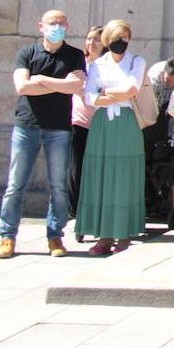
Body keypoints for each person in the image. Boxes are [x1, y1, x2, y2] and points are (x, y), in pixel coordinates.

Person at [0, 10, 87, 259]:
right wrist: (58, 84)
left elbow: (76, 87)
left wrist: (41, 79)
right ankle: (7, 236)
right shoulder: (27, 53)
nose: (57, 26)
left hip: (58, 127)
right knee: (16, 184)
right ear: (41, 26)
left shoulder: (75, 55)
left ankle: (55, 236)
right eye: (52, 23)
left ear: (67, 25)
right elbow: (22, 87)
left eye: (61, 23)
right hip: (27, 126)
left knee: (58, 185)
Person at [77, 19, 147, 255]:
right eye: (117, 38)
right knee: (102, 175)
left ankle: (124, 232)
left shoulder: (136, 61)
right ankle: (103, 235)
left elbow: (131, 89)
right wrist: (107, 96)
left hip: (126, 121)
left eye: (125, 38)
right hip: (103, 124)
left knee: (124, 176)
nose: (121, 42)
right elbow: (89, 97)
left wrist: (104, 93)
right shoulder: (97, 64)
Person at [69, 26, 103, 227]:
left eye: (97, 39)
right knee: (76, 168)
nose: (91, 43)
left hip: (100, 122)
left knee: (96, 170)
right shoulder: (79, 63)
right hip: (80, 121)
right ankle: (75, 213)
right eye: (89, 38)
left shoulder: (106, 65)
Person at [145, 57, 174, 229]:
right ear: (165, 74)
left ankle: (170, 201)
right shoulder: (155, 77)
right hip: (151, 114)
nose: (172, 83)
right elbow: (150, 106)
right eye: (170, 80)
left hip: (170, 114)